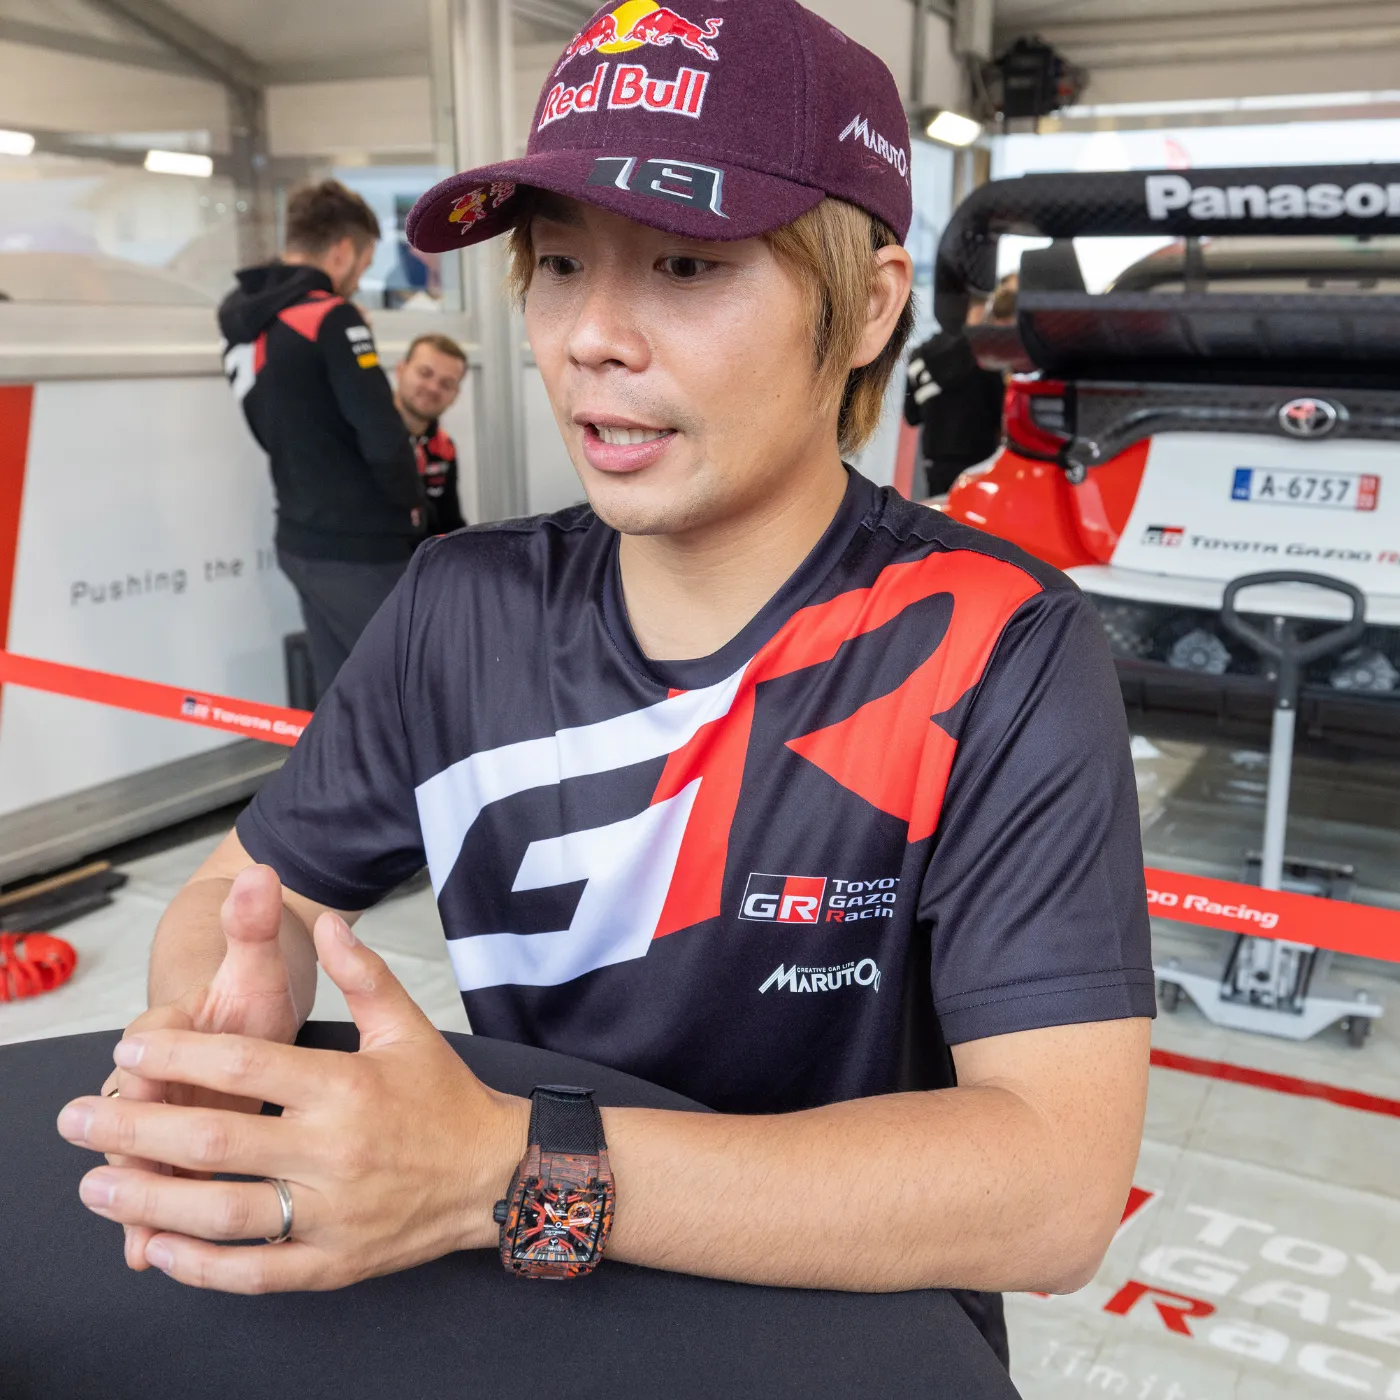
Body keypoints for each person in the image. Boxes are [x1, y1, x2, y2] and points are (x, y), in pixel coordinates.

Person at [63, 0, 1152, 1371]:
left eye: (688, 265)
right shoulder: (460, 603)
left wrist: (505, 1168)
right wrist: (217, 1028)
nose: (590, 336)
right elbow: (247, 896)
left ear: (869, 307)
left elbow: (1053, 1188)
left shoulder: (1000, 643)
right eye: (561, 262)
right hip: (538, 1329)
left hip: (850, 1346)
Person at [218, 180, 426, 703]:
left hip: (298, 535)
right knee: (412, 690)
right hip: (361, 548)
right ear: (342, 251)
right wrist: (414, 509)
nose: (357, 280)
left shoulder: (244, 319)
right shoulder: (331, 318)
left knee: (343, 702)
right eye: (363, 263)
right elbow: (384, 437)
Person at [904, 273, 1018, 499]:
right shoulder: (985, 357)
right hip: (979, 465)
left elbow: (912, 416)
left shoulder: (918, 356)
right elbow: (1002, 416)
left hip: (935, 462)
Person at [394, 333, 468, 536]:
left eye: (447, 384)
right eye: (425, 373)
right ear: (400, 370)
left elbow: (450, 523)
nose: (433, 387)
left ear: (455, 395)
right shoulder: (360, 435)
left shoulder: (444, 447)